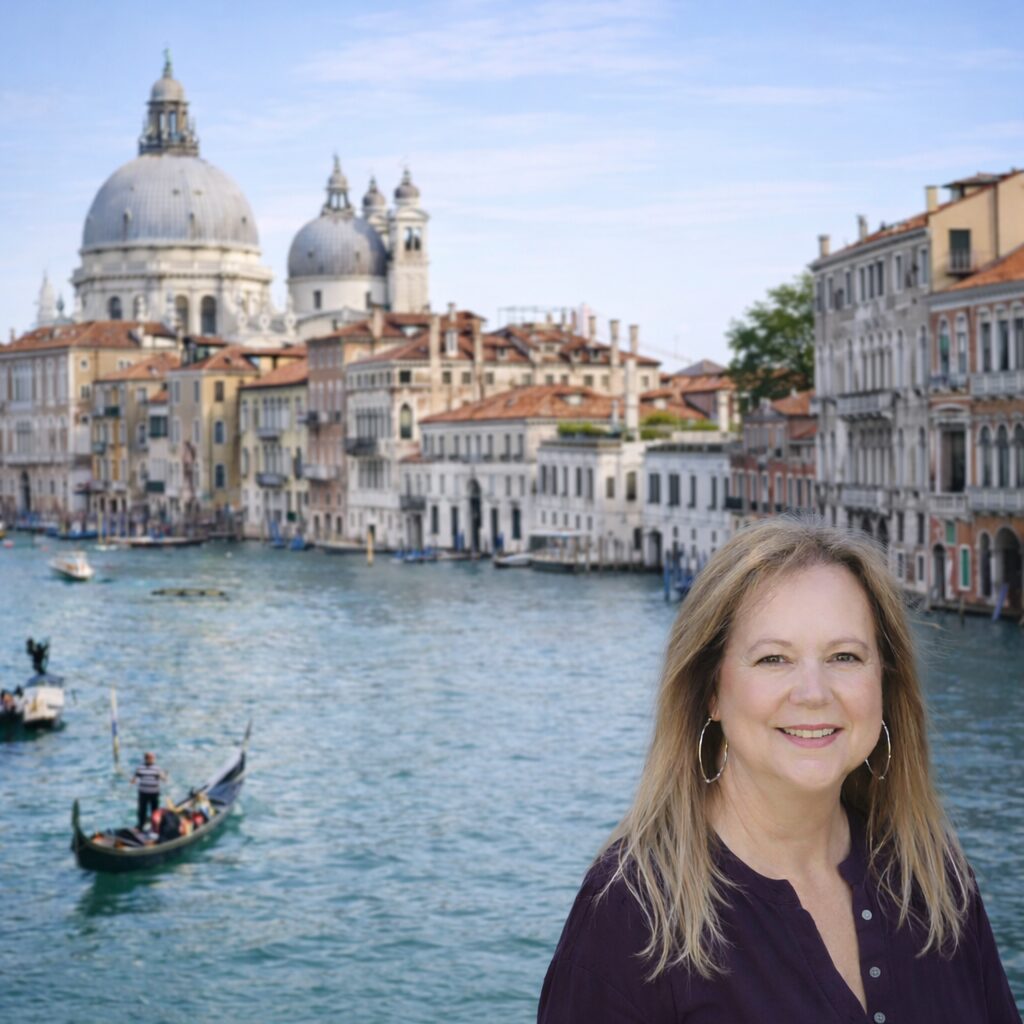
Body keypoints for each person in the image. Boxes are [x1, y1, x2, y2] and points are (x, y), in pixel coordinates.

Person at [538, 517, 1021, 1023]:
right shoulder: (630, 914)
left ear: (885, 680)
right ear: (711, 691)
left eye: (844, 656)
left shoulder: (935, 881)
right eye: (773, 659)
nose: (813, 693)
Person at [130, 751, 167, 830]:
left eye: (152, 758)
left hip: (154, 793)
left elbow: (164, 779)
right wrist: (133, 781)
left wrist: (164, 776)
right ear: (146, 759)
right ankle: (141, 825)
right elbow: (134, 779)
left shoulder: (157, 768)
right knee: (142, 810)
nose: (151, 759)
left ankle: (155, 827)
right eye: (149, 758)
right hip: (143, 793)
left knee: (155, 811)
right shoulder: (140, 768)